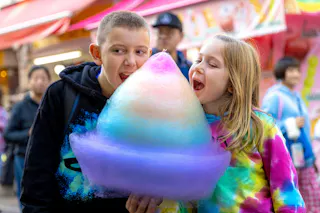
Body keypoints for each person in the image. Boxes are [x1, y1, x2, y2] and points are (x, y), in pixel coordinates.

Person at [20, 11, 158, 213]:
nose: (131, 61)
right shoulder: (61, 95)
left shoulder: (157, 102)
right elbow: (36, 175)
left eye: (140, 52)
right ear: (97, 54)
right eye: (118, 51)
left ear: (150, 56)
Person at [177, 35, 303, 212]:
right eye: (198, 59)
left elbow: (286, 189)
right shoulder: (184, 128)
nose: (198, 67)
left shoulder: (260, 125)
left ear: (232, 83)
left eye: (212, 64)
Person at [262, 56, 320, 212]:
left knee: (312, 196)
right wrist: (290, 124)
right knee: (293, 197)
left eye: (298, 71)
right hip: (287, 157)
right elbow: (265, 126)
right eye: (291, 70)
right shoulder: (274, 96)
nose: (296, 75)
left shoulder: (296, 95)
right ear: (282, 72)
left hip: (304, 157)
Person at [3, 65, 51, 210]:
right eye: (36, 78)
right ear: (29, 82)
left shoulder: (52, 104)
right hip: (23, 158)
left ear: (49, 81)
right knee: (26, 197)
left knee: (47, 197)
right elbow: (8, 134)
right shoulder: (20, 107)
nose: (40, 82)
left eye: (43, 78)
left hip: (49, 158)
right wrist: (28, 133)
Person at [152, 12, 192, 81]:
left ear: (181, 36)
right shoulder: (144, 62)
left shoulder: (189, 68)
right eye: (160, 32)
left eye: (170, 32)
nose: (163, 36)